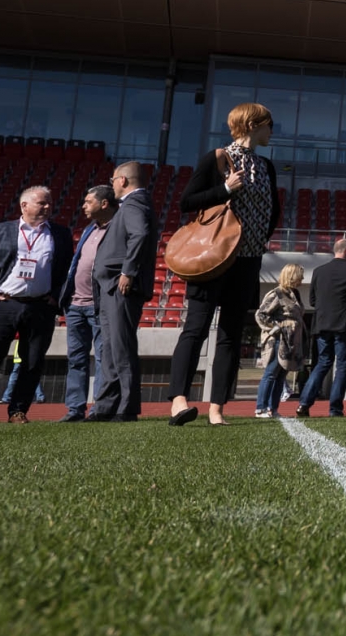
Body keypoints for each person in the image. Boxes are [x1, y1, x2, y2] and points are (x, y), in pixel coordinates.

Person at [169, 103, 279, 427]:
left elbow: (273, 211)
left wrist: (257, 240)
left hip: (248, 260)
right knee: (196, 328)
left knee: (231, 335)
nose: (271, 131)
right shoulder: (216, 158)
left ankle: (217, 408)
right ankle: (178, 401)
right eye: (269, 124)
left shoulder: (267, 166)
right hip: (213, 257)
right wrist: (226, 189)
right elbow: (187, 202)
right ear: (253, 125)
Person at [0, 186, 74, 424]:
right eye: (42, 203)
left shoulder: (60, 234)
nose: (48, 207)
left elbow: (68, 269)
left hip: (40, 306)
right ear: (24, 205)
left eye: (49, 202)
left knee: (32, 361)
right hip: (3, 303)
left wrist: (56, 297)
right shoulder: (0, 230)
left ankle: (18, 410)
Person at [89, 160, 159, 422]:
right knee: (110, 349)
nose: (112, 185)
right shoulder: (132, 204)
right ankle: (106, 406)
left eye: (113, 180)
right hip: (111, 287)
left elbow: (139, 234)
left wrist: (128, 271)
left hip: (121, 287)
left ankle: (126, 407)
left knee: (120, 347)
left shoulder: (134, 203)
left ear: (123, 180)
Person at [56, 184, 117, 422]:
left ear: (104, 204)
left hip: (99, 305)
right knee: (76, 359)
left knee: (102, 359)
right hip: (75, 305)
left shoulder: (117, 229)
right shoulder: (88, 229)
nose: (83, 206)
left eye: (88, 202)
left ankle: (99, 409)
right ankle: (75, 409)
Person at [298, 237, 346, 418]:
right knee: (342, 366)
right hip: (344, 325)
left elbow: (312, 300)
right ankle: (335, 408)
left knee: (322, 362)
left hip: (322, 325)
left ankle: (304, 403)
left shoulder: (319, 271)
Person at [254, 264, 307, 419]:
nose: (302, 278)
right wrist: (276, 327)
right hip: (279, 340)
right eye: (300, 275)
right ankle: (261, 408)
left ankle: (273, 408)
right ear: (292, 276)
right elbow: (261, 314)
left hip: (291, 341)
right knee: (271, 373)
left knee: (281, 375)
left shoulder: (295, 294)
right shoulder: (276, 293)